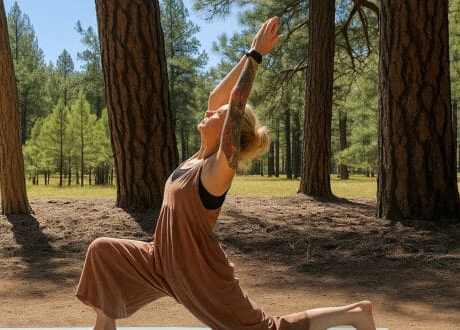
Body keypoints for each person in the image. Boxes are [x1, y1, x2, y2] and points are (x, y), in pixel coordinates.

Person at [75, 17, 376, 330]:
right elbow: (217, 99)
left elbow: (233, 106)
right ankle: (105, 325)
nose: (210, 111)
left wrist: (258, 58)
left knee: (266, 329)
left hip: (199, 274)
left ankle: (354, 312)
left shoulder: (217, 170)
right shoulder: (193, 160)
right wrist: (248, 52)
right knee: (103, 252)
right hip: (160, 262)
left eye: (219, 116)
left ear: (228, 134)